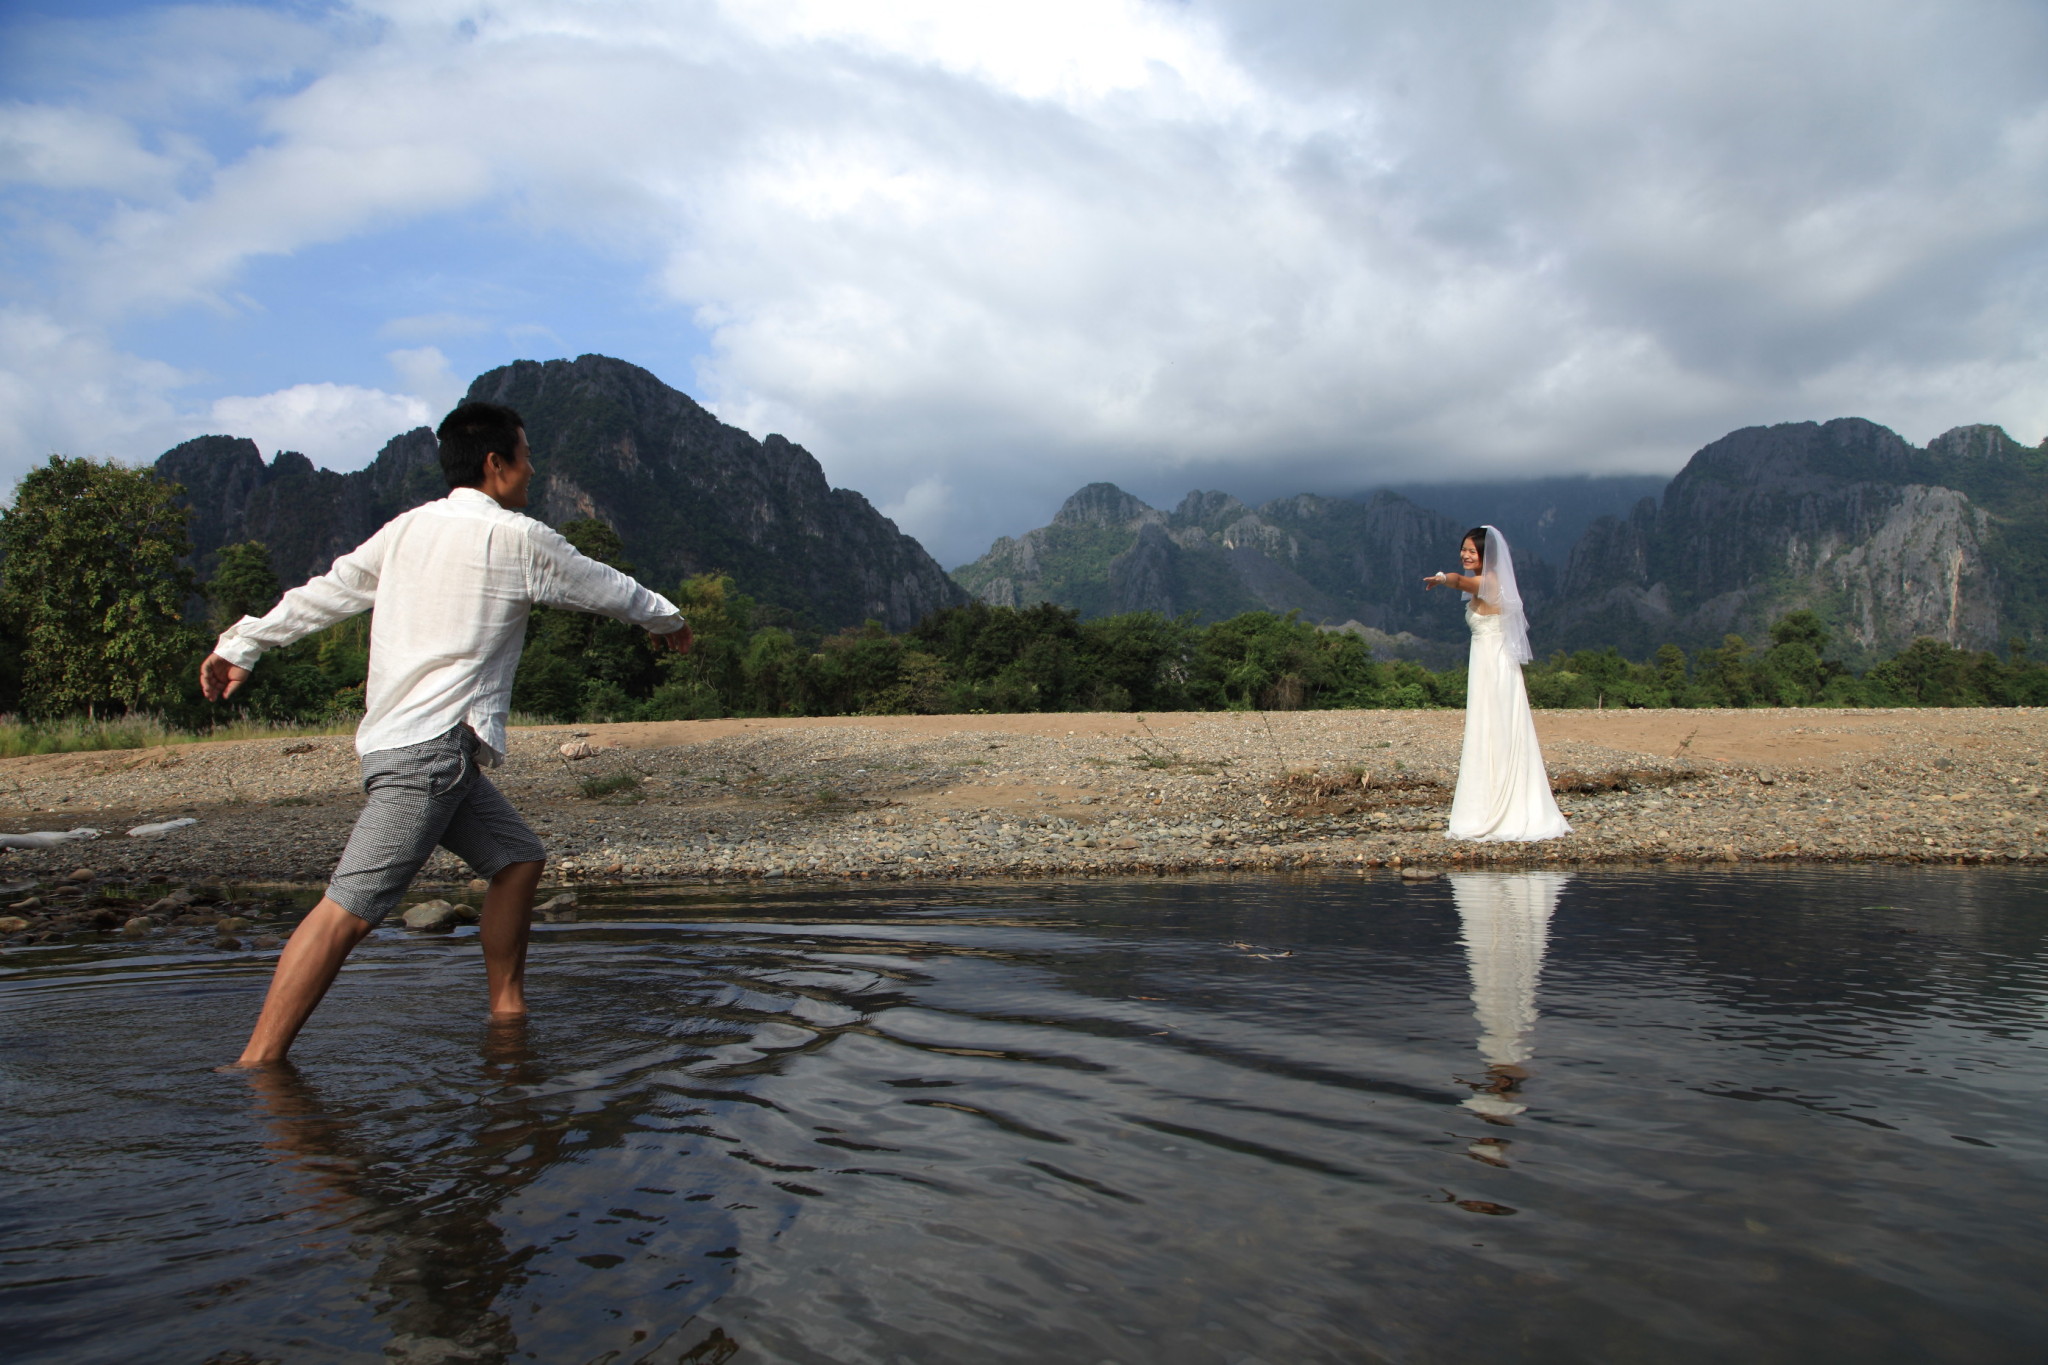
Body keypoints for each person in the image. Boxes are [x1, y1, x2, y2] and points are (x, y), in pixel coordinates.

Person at [200, 401, 693, 1067]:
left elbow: (324, 592)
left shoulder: (405, 530)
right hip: (429, 757)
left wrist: (243, 642)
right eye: (524, 455)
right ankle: (255, 1066)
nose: (533, 468)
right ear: (496, 464)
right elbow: (605, 587)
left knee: (518, 859)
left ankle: (507, 1013)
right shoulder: (515, 537)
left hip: (409, 748)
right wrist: (668, 619)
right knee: (347, 911)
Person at [1424, 526, 1570, 842]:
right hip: (1489, 662)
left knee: (1494, 729)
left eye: (1471, 551)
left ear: (1486, 556)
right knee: (1492, 729)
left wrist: (1442, 578)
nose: (1465, 554)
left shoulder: (1489, 581)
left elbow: (1462, 581)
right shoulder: (1488, 581)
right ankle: (1492, 800)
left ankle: (1498, 808)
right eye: (1463, 549)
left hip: (1494, 664)